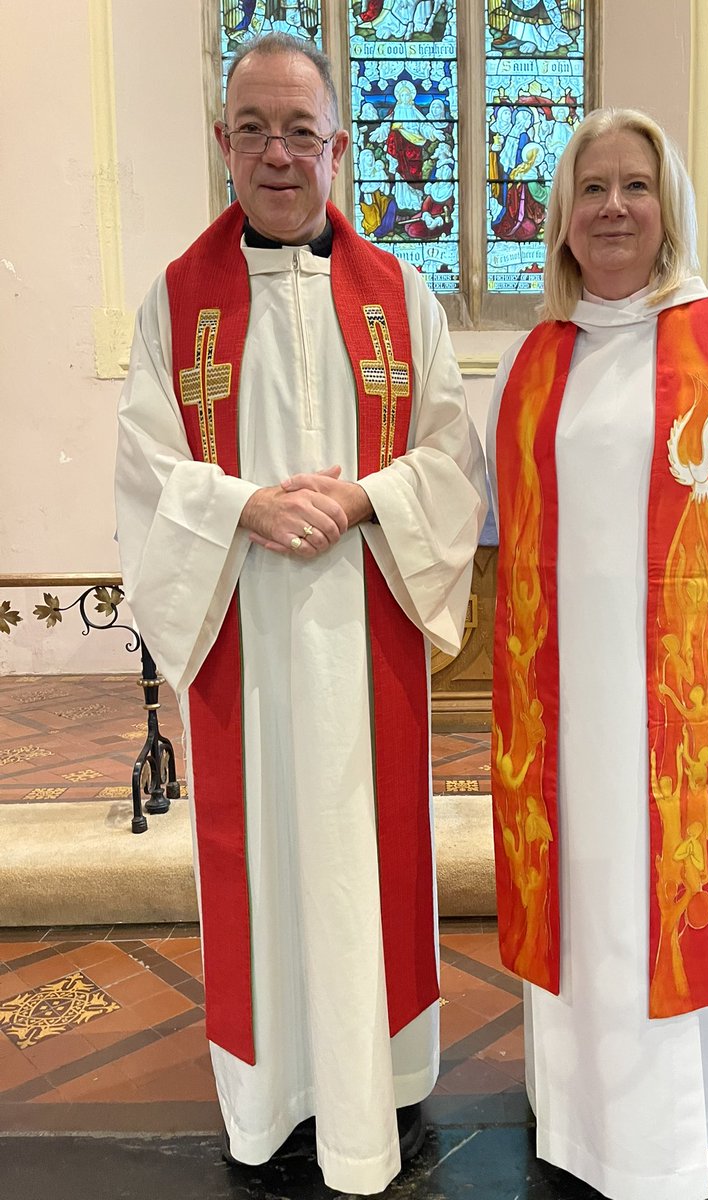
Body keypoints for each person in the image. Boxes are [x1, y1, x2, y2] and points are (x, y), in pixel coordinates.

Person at [114, 32, 486, 1196]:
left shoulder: (400, 297)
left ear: (340, 147)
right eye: (254, 130)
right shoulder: (178, 303)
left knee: (367, 866)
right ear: (224, 143)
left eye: (301, 132)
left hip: (366, 638)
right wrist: (242, 507)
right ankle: (273, 1096)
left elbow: (450, 455)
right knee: (263, 861)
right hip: (252, 648)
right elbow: (142, 467)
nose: (279, 154)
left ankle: (381, 1084)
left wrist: (367, 497)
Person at [486, 108, 708, 1200]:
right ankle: (583, 1109)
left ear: (669, 205)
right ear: (562, 218)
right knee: (586, 888)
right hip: (563, 701)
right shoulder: (534, 360)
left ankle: (705, 1108)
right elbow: (494, 516)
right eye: (590, 189)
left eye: (635, 186)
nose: (612, 208)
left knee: (682, 887)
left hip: (684, 691)